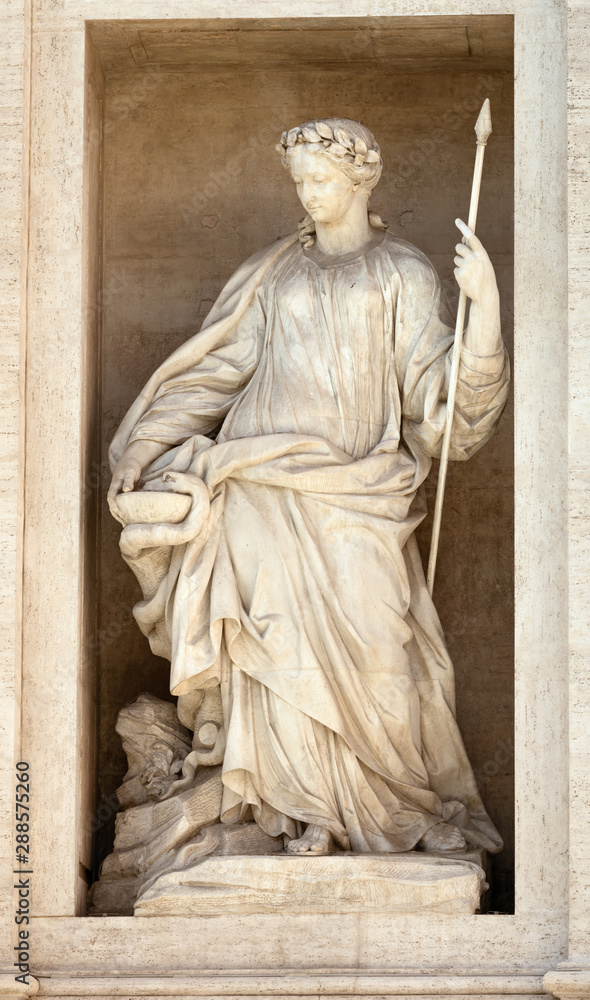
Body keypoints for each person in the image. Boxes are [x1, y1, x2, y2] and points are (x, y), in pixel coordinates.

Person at [108, 117, 509, 857]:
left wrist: (482, 311)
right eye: (298, 181)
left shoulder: (405, 275)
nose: (307, 193)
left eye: (319, 179)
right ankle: (299, 813)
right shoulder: (274, 274)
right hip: (260, 485)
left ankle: (384, 810)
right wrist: (145, 444)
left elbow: (446, 408)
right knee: (276, 652)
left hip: (360, 496)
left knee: (382, 656)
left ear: (361, 181)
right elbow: (213, 373)